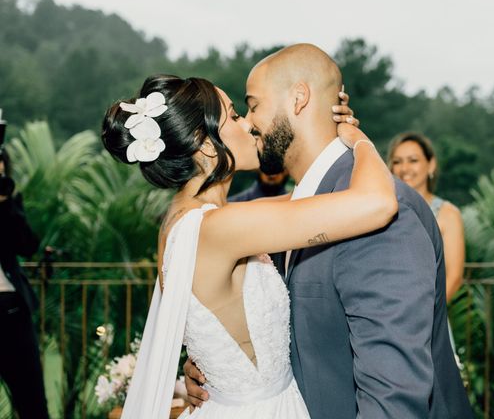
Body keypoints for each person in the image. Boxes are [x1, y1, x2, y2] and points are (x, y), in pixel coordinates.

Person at [184, 44, 473, 418]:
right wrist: (225, 371)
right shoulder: (304, 212)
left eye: (252, 105)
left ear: (298, 99)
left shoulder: (375, 212)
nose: (249, 122)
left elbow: (393, 396)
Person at [101, 73, 398, 418]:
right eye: (235, 115)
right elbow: (378, 203)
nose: (250, 124)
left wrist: (328, 135)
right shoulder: (217, 228)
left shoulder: (193, 220)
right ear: (207, 143)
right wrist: (359, 141)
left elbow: (312, 196)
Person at [0, 149, 49, 419]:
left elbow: (28, 246)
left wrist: (5, 204)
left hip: (11, 308)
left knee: (31, 398)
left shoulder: (8, 203)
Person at [388, 132, 466, 303]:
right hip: (385, 315)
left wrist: (421, 316)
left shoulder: (447, 213)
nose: (404, 168)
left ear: (431, 165)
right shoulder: (383, 209)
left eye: (413, 160)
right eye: (397, 162)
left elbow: (454, 278)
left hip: (428, 319)